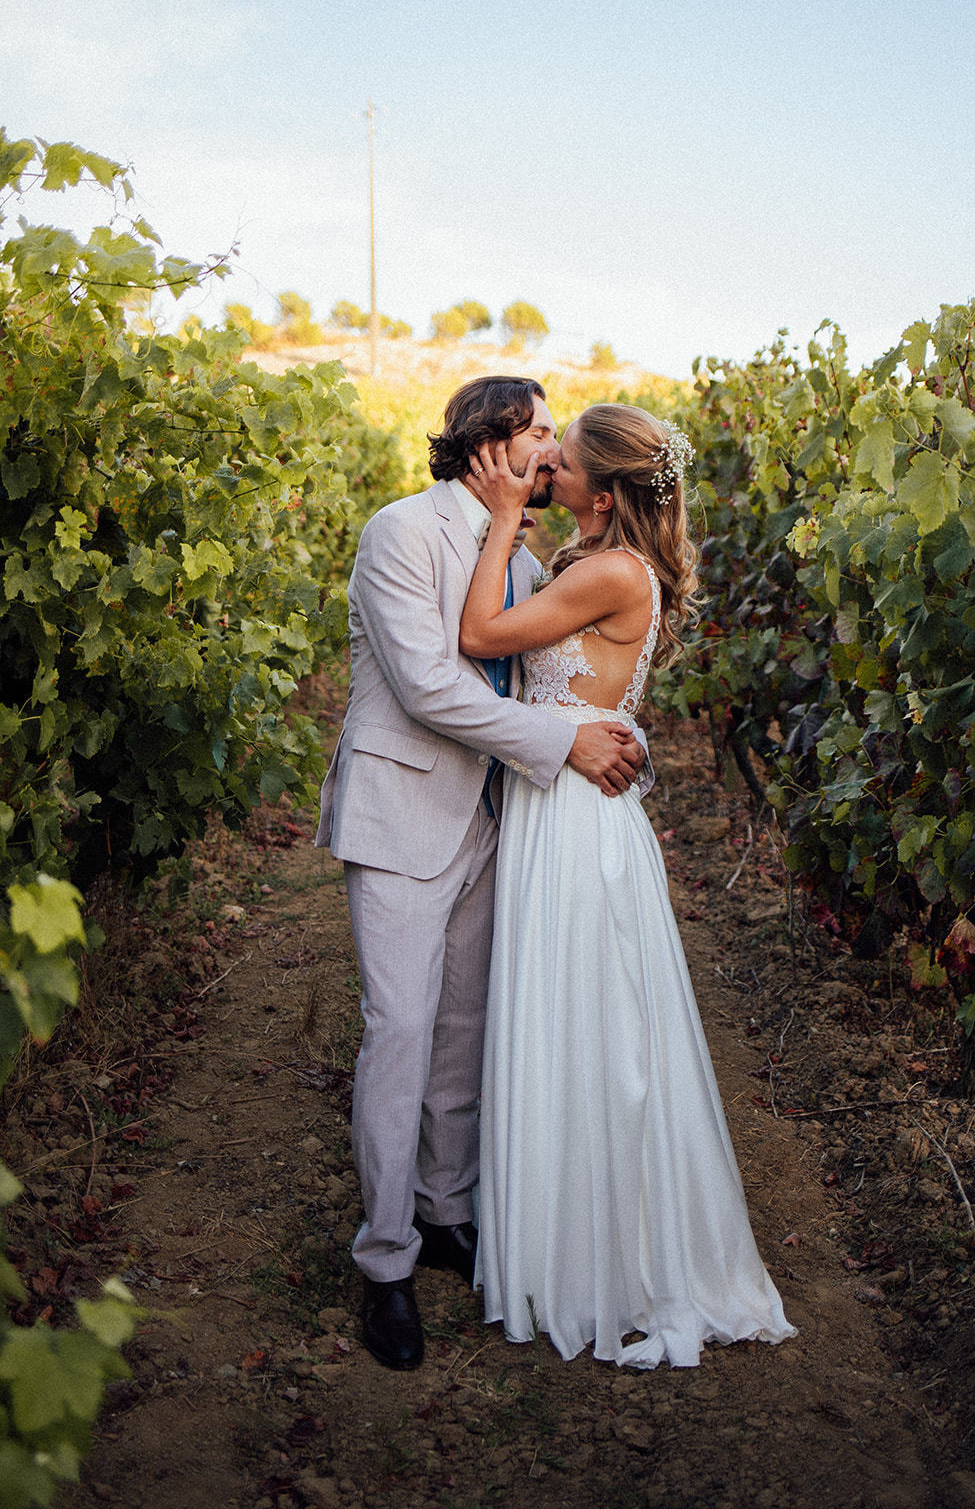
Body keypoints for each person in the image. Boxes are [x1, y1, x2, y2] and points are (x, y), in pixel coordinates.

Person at [315, 376, 645, 1372]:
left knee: (461, 1030)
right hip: (403, 809)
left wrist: (600, 731)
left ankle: (444, 1212)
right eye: (539, 432)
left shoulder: (531, 554)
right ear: (486, 443)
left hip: (493, 820)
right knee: (401, 1030)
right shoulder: (399, 532)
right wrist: (566, 740)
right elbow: (426, 688)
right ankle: (384, 1262)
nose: (553, 450)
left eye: (555, 438)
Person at [459, 402, 797, 1368]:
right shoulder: (592, 561)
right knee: (573, 1019)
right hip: (560, 803)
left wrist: (493, 517)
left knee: (585, 1026)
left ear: (602, 495)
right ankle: (562, 1239)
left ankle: (599, 1260)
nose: (540, 470)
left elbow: (483, 635)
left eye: (557, 465)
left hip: (570, 824)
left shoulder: (608, 570)